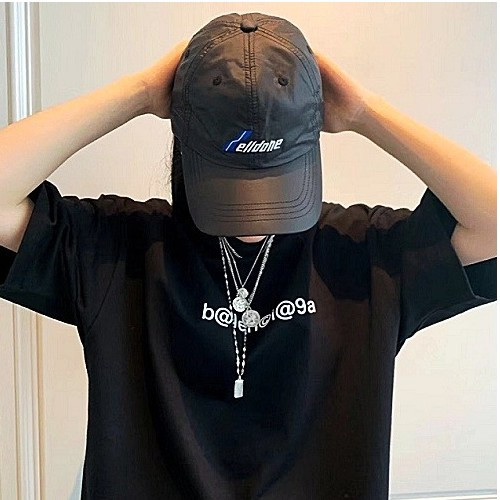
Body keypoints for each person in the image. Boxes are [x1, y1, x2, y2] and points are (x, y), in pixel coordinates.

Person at [0, 11, 496, 500]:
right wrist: (140, 92)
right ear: (184, 150)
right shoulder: (119, 252)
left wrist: (365, 113)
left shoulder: (362, 256)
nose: (253, 218)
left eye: (275, 178)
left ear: (309, 152)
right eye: (229, 183)